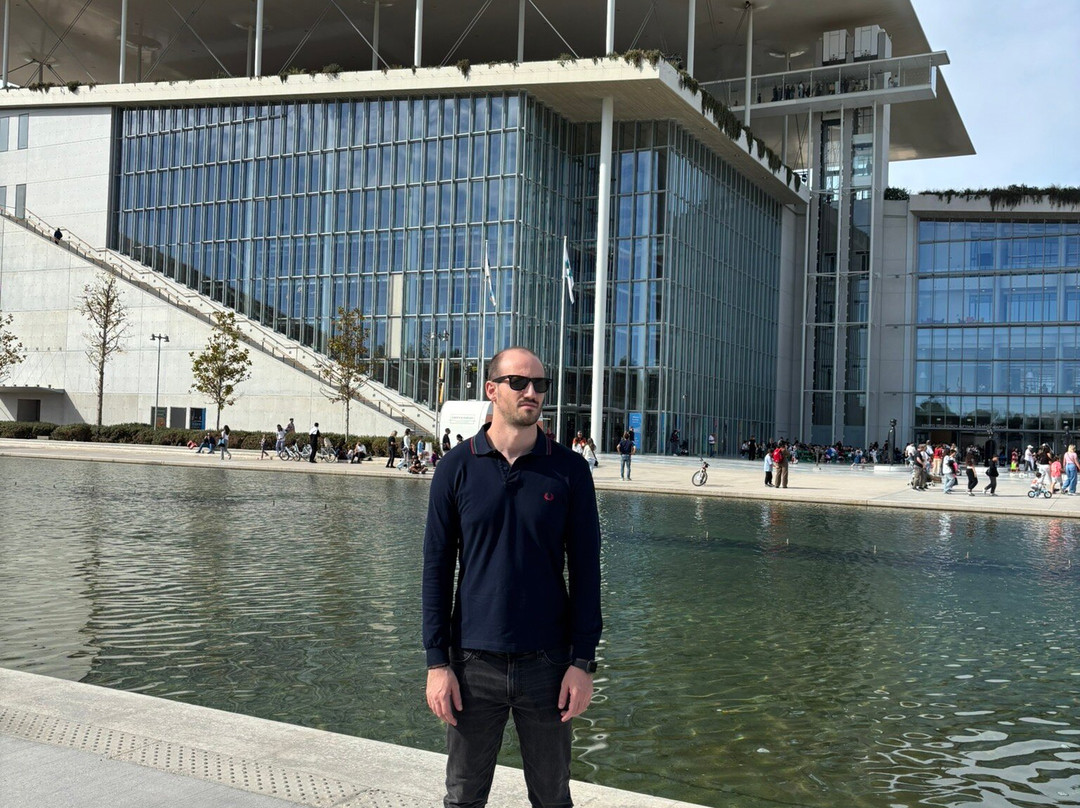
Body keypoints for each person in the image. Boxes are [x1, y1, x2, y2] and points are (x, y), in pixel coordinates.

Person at [422, 347, 602, 808]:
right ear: (492, 389)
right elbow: (436, 570)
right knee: (463, 797)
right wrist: (437, 664)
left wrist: (582, 662)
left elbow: (587, 572)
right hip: (471, 662)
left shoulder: (569, 470)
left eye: (540, 385)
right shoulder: (455, 467)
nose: (532, 392)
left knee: (552, 797)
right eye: (519, 382)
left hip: (549, 664)